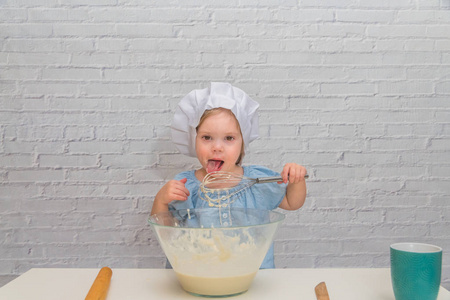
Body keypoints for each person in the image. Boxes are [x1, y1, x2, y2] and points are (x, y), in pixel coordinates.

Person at [151, 82, 307, 268]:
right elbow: (167, 232)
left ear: (242, 143)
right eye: (207, 137)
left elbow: (292, 202)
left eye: (229, 138)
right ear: (194, 139)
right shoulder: (184, 186)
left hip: (251, 277)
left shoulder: (256, 182)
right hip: (199, 275)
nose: (217, 147)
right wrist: (161, 200)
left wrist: (296, 180)